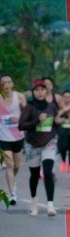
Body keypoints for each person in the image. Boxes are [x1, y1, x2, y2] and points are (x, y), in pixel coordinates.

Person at [18, 80, 59, 216]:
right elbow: (21, 126)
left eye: (42, 89)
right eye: (37, 90)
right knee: (35, 175)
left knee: (48, 172)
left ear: (46, 91)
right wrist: (37, 121)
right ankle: (33, 201)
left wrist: (58, 122)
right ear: (33, 92)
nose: (40, 92)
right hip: (32, 145)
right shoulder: (29, 107)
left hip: (49, 142)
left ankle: (50, 205)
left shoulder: (51, 106)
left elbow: (55, 123)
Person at [0, 75, 26, 206]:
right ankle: (12, 194)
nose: (6, 85)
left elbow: (27, 114)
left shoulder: (20, 97)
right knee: (9, 164)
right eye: (3, 83)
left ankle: (12, 180)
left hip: (18, 136)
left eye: (8, 82)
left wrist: (19, 119)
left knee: (17, 165)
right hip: (3, 137)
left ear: (12, 84)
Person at [56, 90, 70, 174]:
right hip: (62, 129)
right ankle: (64, 161)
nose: (67, 99)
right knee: (63, 147)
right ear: (62, 98)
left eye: (69, 97)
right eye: (65, 97)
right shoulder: (60, 107)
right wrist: (63, 111)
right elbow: (56, 116)